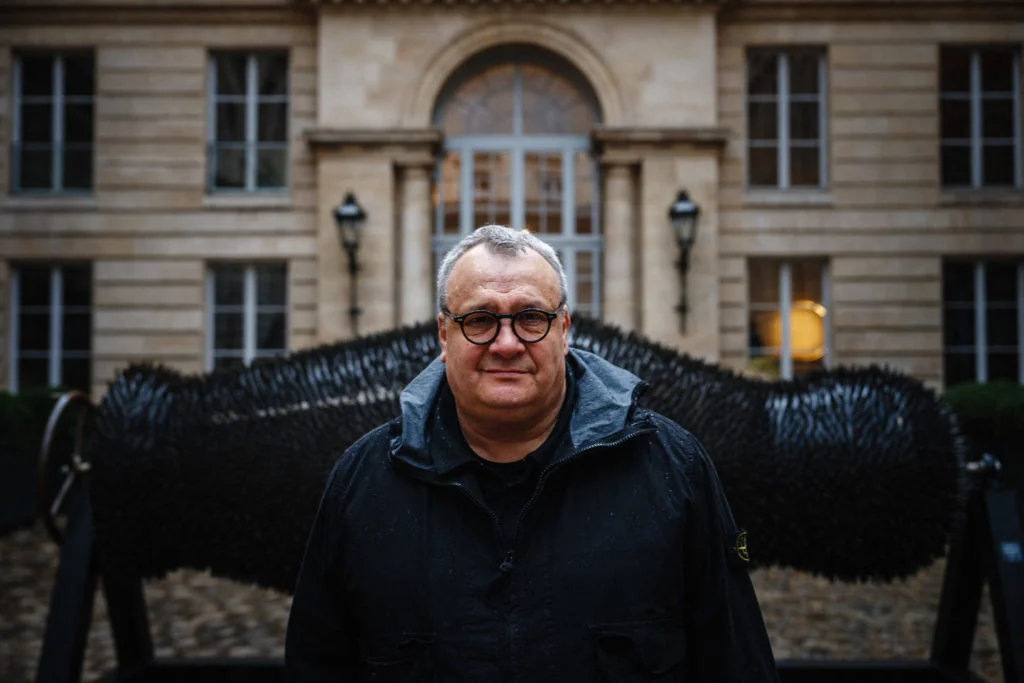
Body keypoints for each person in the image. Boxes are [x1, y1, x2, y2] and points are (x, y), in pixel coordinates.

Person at [286, 224, 779, 682]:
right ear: (443, 335)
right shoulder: (362, 482)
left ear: (564, 329)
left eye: (530, 318)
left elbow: (736, 661)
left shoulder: (676, 469)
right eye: (479, 320)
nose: (506, 343)